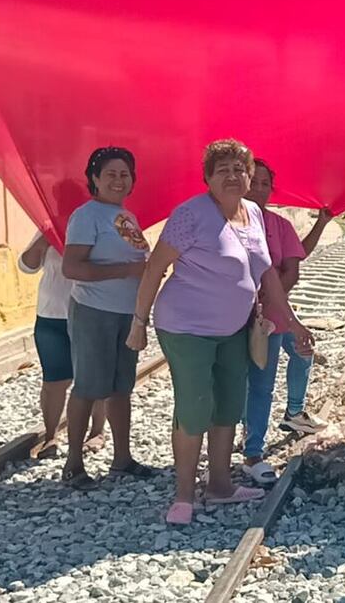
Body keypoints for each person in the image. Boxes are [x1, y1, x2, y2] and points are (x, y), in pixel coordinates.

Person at [127, 139, 314, 524]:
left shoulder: (254, 214)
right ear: (208, 178)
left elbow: (267, 277)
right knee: (196, 406)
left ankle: (219, 485)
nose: (232, 176)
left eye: (239, 169)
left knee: (229, 404)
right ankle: (183, 496)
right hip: (186, 327)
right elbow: (155, 268)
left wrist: (292, 323)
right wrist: (138, 323)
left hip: (234, 327)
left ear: (249, 176)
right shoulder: (191, 215)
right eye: (222, 169)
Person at [60, 146, 151, 490]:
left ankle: (122, 458)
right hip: (94, 312)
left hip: (126, 313)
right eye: (110, 174)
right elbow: (73, 267)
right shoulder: (86, 216)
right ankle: (73, 465)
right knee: (88, 386)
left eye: (124, 174)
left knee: (121, 388)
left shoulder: (126, 216)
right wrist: (127, 270)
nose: (118, 179)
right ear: (94, 179)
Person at [241, 159, 332, 486]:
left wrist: (269, 293)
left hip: (273, 315)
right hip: (234, 315)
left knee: (264, 381)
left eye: (266, 183)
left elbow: (293, 265)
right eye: (255, 182)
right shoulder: (225, 222)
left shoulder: (279, 225)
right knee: (245, 381)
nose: (260, 189)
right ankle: (250, 434)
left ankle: (257, 446)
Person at [19, 231, 105, 459]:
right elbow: (26, 266)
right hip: (51, 314)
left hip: (90, 312)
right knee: (54, 380)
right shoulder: (47, 225)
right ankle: (51, 436)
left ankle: (97, 432)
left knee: (94, 377)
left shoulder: (98, 221)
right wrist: (43, 241)